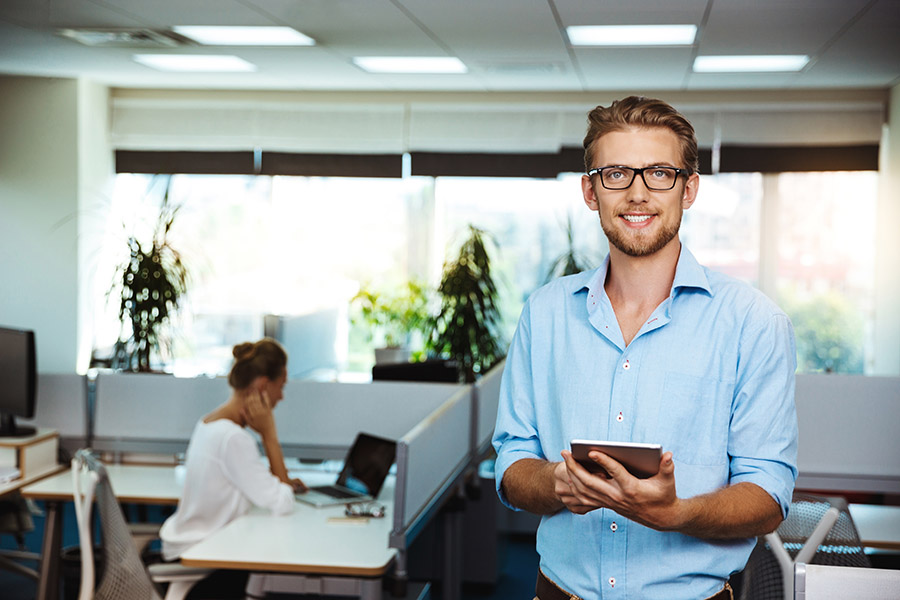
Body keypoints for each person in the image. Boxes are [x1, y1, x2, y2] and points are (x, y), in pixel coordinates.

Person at [492, 96, 798, 600]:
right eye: (616, 174)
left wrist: (677, 514)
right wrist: (556, 484)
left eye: (659, 172)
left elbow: (768, 495)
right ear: (591, 191)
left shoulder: (755, 324)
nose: (637, 193)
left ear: (689, 188)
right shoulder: (544, 315)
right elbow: (512, 462)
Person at [159, 338, 307, 561]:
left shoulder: (209, 423)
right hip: (205, 553)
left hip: (196, 542)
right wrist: (269, 436)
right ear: (264, 387)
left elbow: (244, 481)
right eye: (281, 386)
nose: (281, 396)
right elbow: (283, 503)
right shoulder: (233, 438)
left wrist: (280, 482)